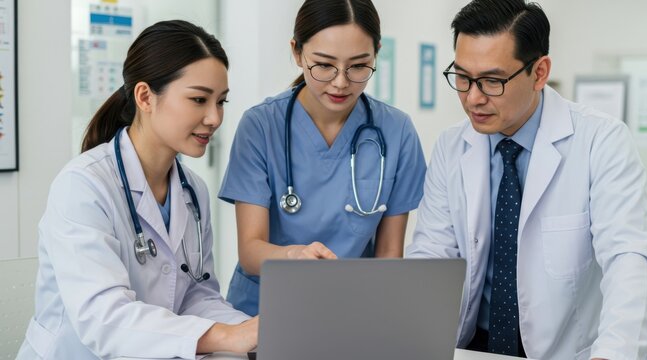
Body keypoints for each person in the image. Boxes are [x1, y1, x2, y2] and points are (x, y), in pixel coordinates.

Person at [406, 0, 647, 359]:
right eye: (462, 77)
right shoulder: (452, 146)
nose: (472, 98)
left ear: (539, 72)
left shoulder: (600, 140)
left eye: (492, 81)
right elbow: (432, 254)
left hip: (566, 351)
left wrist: (614, 352)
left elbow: (629, 257)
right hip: (471, 347)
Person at [17, 20, 257, 360]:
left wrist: (252, 334)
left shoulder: (193, 192)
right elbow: (103, 318)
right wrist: (224, 336)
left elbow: (196, 295)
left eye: (221, 102)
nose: (215, 117)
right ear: (145, 96)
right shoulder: (83, 186)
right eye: (199, 99)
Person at [219, 0, 426, 316]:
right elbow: (250, 250)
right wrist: (295, 257)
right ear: (297, 52)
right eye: (325, 65)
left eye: (358, 66)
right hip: (263, 312)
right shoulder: (261, 126)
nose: (341, 82)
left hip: (352, 311)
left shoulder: (396, 131)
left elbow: (388, 255)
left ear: (376, 53)